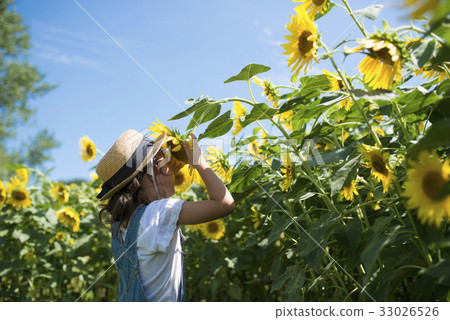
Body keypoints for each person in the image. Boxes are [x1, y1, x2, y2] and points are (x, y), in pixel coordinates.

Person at [95, 129, 235, 302]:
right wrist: (200, 163)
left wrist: (168, 167)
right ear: (155, 169)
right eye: (168, 163)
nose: (175, 171)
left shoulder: (124, 223)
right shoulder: (159, 213)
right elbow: (224, 204)